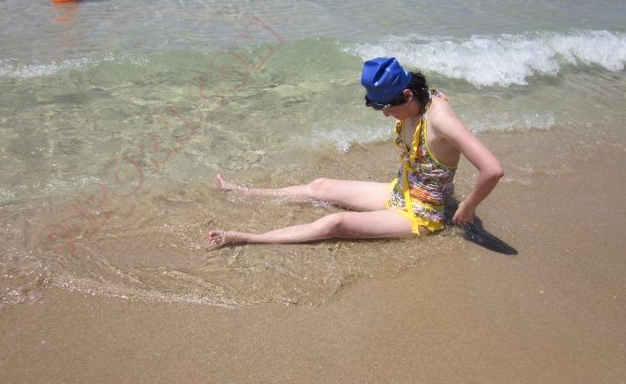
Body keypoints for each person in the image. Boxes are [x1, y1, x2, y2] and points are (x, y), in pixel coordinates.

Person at [207, 57, 504, 248]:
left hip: (422, 214)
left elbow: (492, 169)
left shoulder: (440, 118)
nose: (385, 114)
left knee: (334, 224)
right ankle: (245, 192)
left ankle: (246, 238)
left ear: (407, 94)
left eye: (386, 108)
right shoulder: (416, 101)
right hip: (399, 192)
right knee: (320, 186)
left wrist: (468, 206)